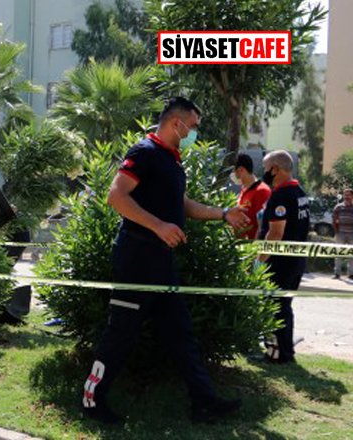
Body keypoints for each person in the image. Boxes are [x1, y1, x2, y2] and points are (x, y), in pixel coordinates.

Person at [82, 97, 249, 424]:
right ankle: (91, 400)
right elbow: (116, 196)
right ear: (178, 123)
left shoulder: (171, 160)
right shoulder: (145, 152)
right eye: (195, 126)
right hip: (137, 259)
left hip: (161, 262)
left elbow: (182, 204)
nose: (195, 133)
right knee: (120, 335)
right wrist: (158, 226)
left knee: (179, 332)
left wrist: (224, 214)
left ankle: (204, 403)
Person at [256, 150, 309, 364]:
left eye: (265, 168)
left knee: (274, 306)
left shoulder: (281, 195)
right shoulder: (299, 192)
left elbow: (276, 233)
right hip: (296, 261)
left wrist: (260, 259)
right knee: (284, 305)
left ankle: (276, 353)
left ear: (275, 169)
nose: (264, 173)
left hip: (280, 261)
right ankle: (286, 352)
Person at [232, 154, 271, 239]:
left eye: (232, 172)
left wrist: (255, 250)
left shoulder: (261, 191)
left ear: (241, 170)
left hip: (252, 249)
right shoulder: (244, 189)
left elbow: (263, 226)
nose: (232, 176)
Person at [331, 189, 353, 279]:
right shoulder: (338, 207)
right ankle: (337, 273)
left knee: (351, 255)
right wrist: (336, 232)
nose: (347, 197)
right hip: (340, 233)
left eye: (349, 195)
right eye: (345, 195)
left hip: (352, 234)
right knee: (338, 254)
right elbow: (333, 220)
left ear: (352, 196)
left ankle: (351, 274)